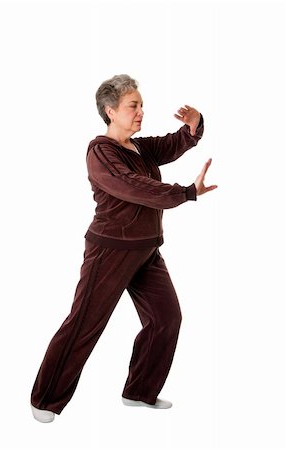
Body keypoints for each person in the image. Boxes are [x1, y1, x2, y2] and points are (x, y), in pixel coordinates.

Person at [30, 74, 217, 423]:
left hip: (147, 250)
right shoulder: (100, 152)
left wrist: (193, 127)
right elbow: (134, 186)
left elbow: (172, 144)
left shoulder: (139, 148)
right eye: (133, 106)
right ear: (110, 110)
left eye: (142, 105)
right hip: (110, 251)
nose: (141, 112)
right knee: (84, 325)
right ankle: (44, 399)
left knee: (166, 318)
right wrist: (186, 192)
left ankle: (140, 391)